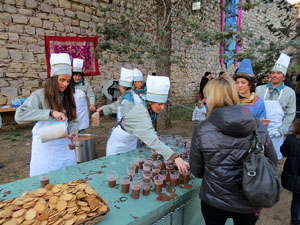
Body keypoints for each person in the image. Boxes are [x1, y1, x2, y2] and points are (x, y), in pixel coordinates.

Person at [190, 76, 277, 225]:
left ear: (212, 98)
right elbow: (272, 161)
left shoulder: (203, 129)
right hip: (250, 198)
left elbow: (197, 171)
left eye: (206, 97)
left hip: (214, 199)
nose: (205, 101)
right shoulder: (257, 124)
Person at [100, 75, 189, 173]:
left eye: (163, 104)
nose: (163, 107)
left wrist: (152, 135)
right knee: (117, 170)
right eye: (160, 104)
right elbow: (153, 142)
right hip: (119, 143)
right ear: (151, 102)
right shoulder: (141, 113)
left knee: (128, 168)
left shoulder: (145, 104)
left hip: (131, 139)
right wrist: (175, 157)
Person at [15, 53, 78, 177]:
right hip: (45, 149)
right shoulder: (39, 95)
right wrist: (50, 112)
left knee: (68, 179)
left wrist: (74, 131)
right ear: (54, 79)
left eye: (68, 81)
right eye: (62, 80)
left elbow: (72, 119)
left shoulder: (68, 96)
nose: (65, 84)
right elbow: (19, 116)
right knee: (46, 181)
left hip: (63, 146)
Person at [256, 53, 296, 160]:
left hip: (276, 132)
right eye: (273, 72)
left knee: (271, 159)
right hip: (257, 130)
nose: (274, 75)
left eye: (278, 73)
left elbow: (290, 114)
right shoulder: (259, 89)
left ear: (283, 77)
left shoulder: (289, 93)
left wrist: (281, 130)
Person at [97, 68, 137, 155]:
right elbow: (116, 106)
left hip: (124, 135)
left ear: (122, 86)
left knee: (114, 153)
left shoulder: (128, 101)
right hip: (131, 136)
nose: (119, 87)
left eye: (120, 85)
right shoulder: (129, 95)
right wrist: (103, 109)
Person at [281, 119, 300, 225]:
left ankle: (295, 221)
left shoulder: (291, 139)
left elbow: (284, 152)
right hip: (295, 176)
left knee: (296, 200)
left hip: (294, 175)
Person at [72, 58, 91, 133]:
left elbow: (90, 94)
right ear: (72, 75)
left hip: (82, 111)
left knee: (81, 127)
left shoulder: (85, 84)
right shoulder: (68, 84)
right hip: (71, 109)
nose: (77, 77)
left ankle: (82, 140)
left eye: (79, 76)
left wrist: (92, 104)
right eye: (75, 75)